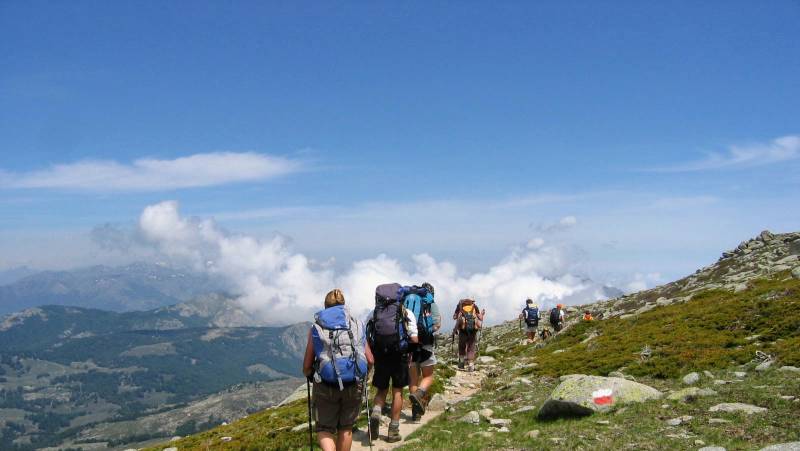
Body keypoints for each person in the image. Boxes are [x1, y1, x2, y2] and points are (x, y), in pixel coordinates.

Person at [302, 289, 373, 451]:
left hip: (326, 385)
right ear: (344, 305)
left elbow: (307, 365)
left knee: (324, 429)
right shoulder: (357, 324)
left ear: (325, 306)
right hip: (354, 382)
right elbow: (370, 359)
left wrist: (310, 374)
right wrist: (365, 375)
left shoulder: (317, 327)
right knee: (346, 428)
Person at [367, 283, 419, 443]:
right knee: (397, 392)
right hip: (400, 356)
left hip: (381, 356)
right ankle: (393, 431)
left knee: (381, 390)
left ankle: (376, 411)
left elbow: (366, 336)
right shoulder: (406, 312)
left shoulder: (373, 313)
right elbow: (414, 339)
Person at [407, 282, 441, 422]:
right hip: (426, 344)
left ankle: (415, 414)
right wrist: (429, 331)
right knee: (428, 376)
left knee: (413, 379)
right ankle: (419, 395)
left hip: (410, 345)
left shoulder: (408, 300)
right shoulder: (431, 303)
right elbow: (437, 325)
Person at [453, 298, 484, 371]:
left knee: (461, 346)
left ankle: (461, 364)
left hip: (462, 330)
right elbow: (480, 318)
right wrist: (482, 314)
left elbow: (454, 317)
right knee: (471, 346)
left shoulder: (459, 307)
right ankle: (471, 365)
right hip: (473, 330)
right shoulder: (474, 307)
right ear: (472, 302)